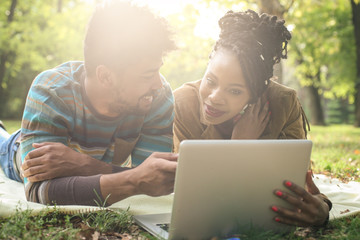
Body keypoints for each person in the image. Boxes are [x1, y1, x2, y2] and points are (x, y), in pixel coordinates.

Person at [0, 1, 178, 206]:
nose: (158, 84)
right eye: (147, 75)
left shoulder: (156, 96)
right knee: (3, 144)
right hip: (16, 152)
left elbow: (155, 180)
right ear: (106, 77)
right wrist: (132, 178)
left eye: (157, 70)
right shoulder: (51, 93)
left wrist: (85, 165)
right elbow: (39, 191)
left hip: (87, 160)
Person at [173, 9, 332, 227]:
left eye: (235, 91)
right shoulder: (184, 104)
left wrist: (323, 207)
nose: (214, 98)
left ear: (256, 93)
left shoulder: (284, 103)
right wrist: (238, 146)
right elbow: (190, 192)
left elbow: (299, 183)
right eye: (210, 80)